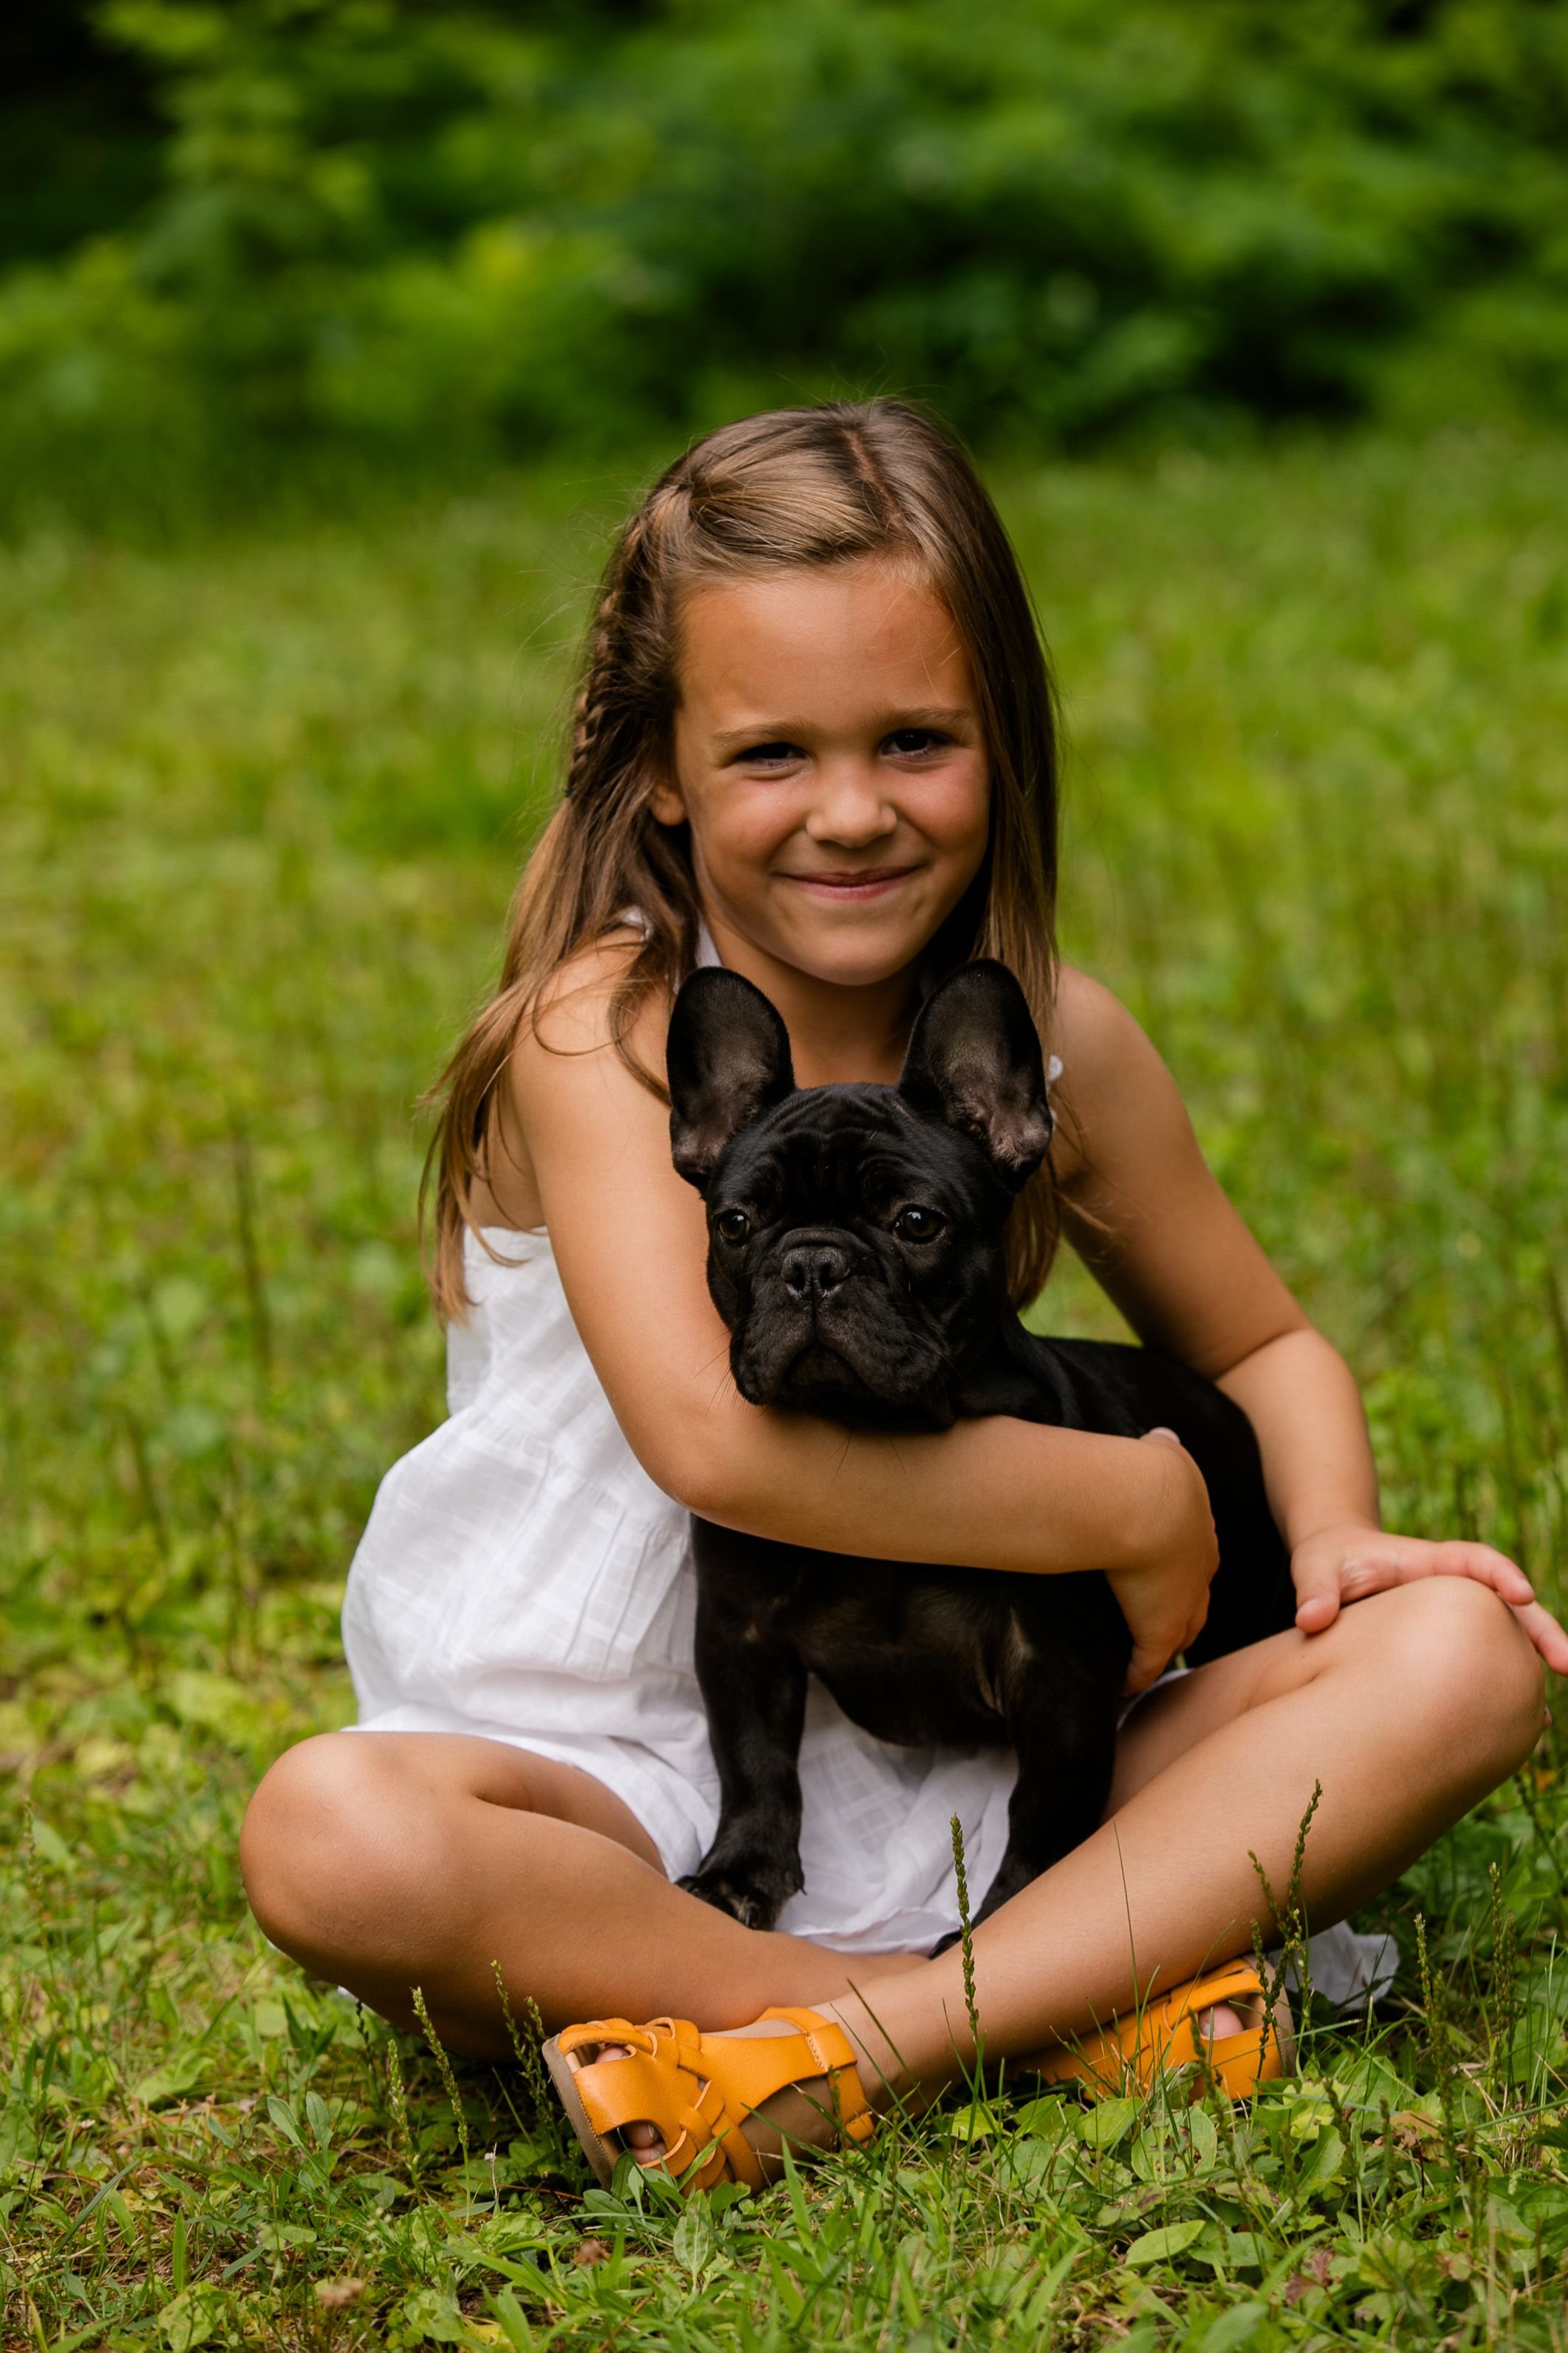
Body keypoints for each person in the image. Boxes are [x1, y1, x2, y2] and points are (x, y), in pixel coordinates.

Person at [241, 401, 1557, 2192]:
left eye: (916, 740)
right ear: (661, 767)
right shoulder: (607, 1032)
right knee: (331, 1833)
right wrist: (1137, 1499)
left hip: (1015, 1739)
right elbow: (717, 1442)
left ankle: (849, 2048)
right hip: (636, 1773)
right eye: (774, 751)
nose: (851, 811)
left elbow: (1262, 1342)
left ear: (1003, 742)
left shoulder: (1053, 1038)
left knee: (1465, 1655)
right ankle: (1033, 2000)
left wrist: (1332, 1541)